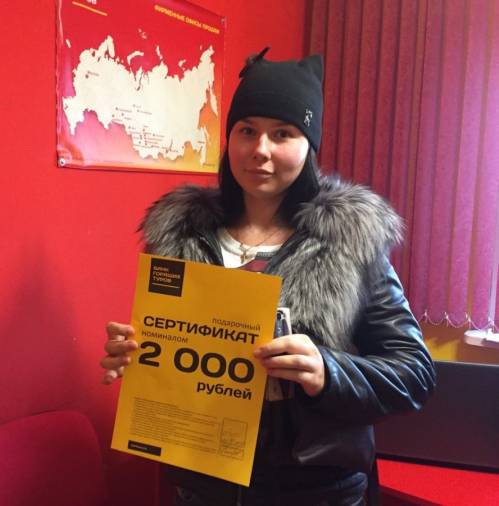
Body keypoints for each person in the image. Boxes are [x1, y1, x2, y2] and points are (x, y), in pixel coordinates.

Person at [100, 48, 436, 506]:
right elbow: (176, 350)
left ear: (308, 145)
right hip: (202, 488)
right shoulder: (180, 236)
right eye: (247, 131)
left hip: (314, 492)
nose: (260, 150)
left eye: (282, 134)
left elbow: (413, 372)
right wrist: (139, 353)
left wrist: (328, 370)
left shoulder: (349, 242)